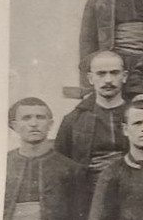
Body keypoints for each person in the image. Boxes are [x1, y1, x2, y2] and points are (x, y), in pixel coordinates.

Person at [56, 51, 130, 197]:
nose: (108, 80)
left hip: (130, 192)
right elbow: (61, 164)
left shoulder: (140, 117)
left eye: (114, 73)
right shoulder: (73, 120)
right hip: (88, 194)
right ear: (90, 78)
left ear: (125, 76)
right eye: (101, 74)